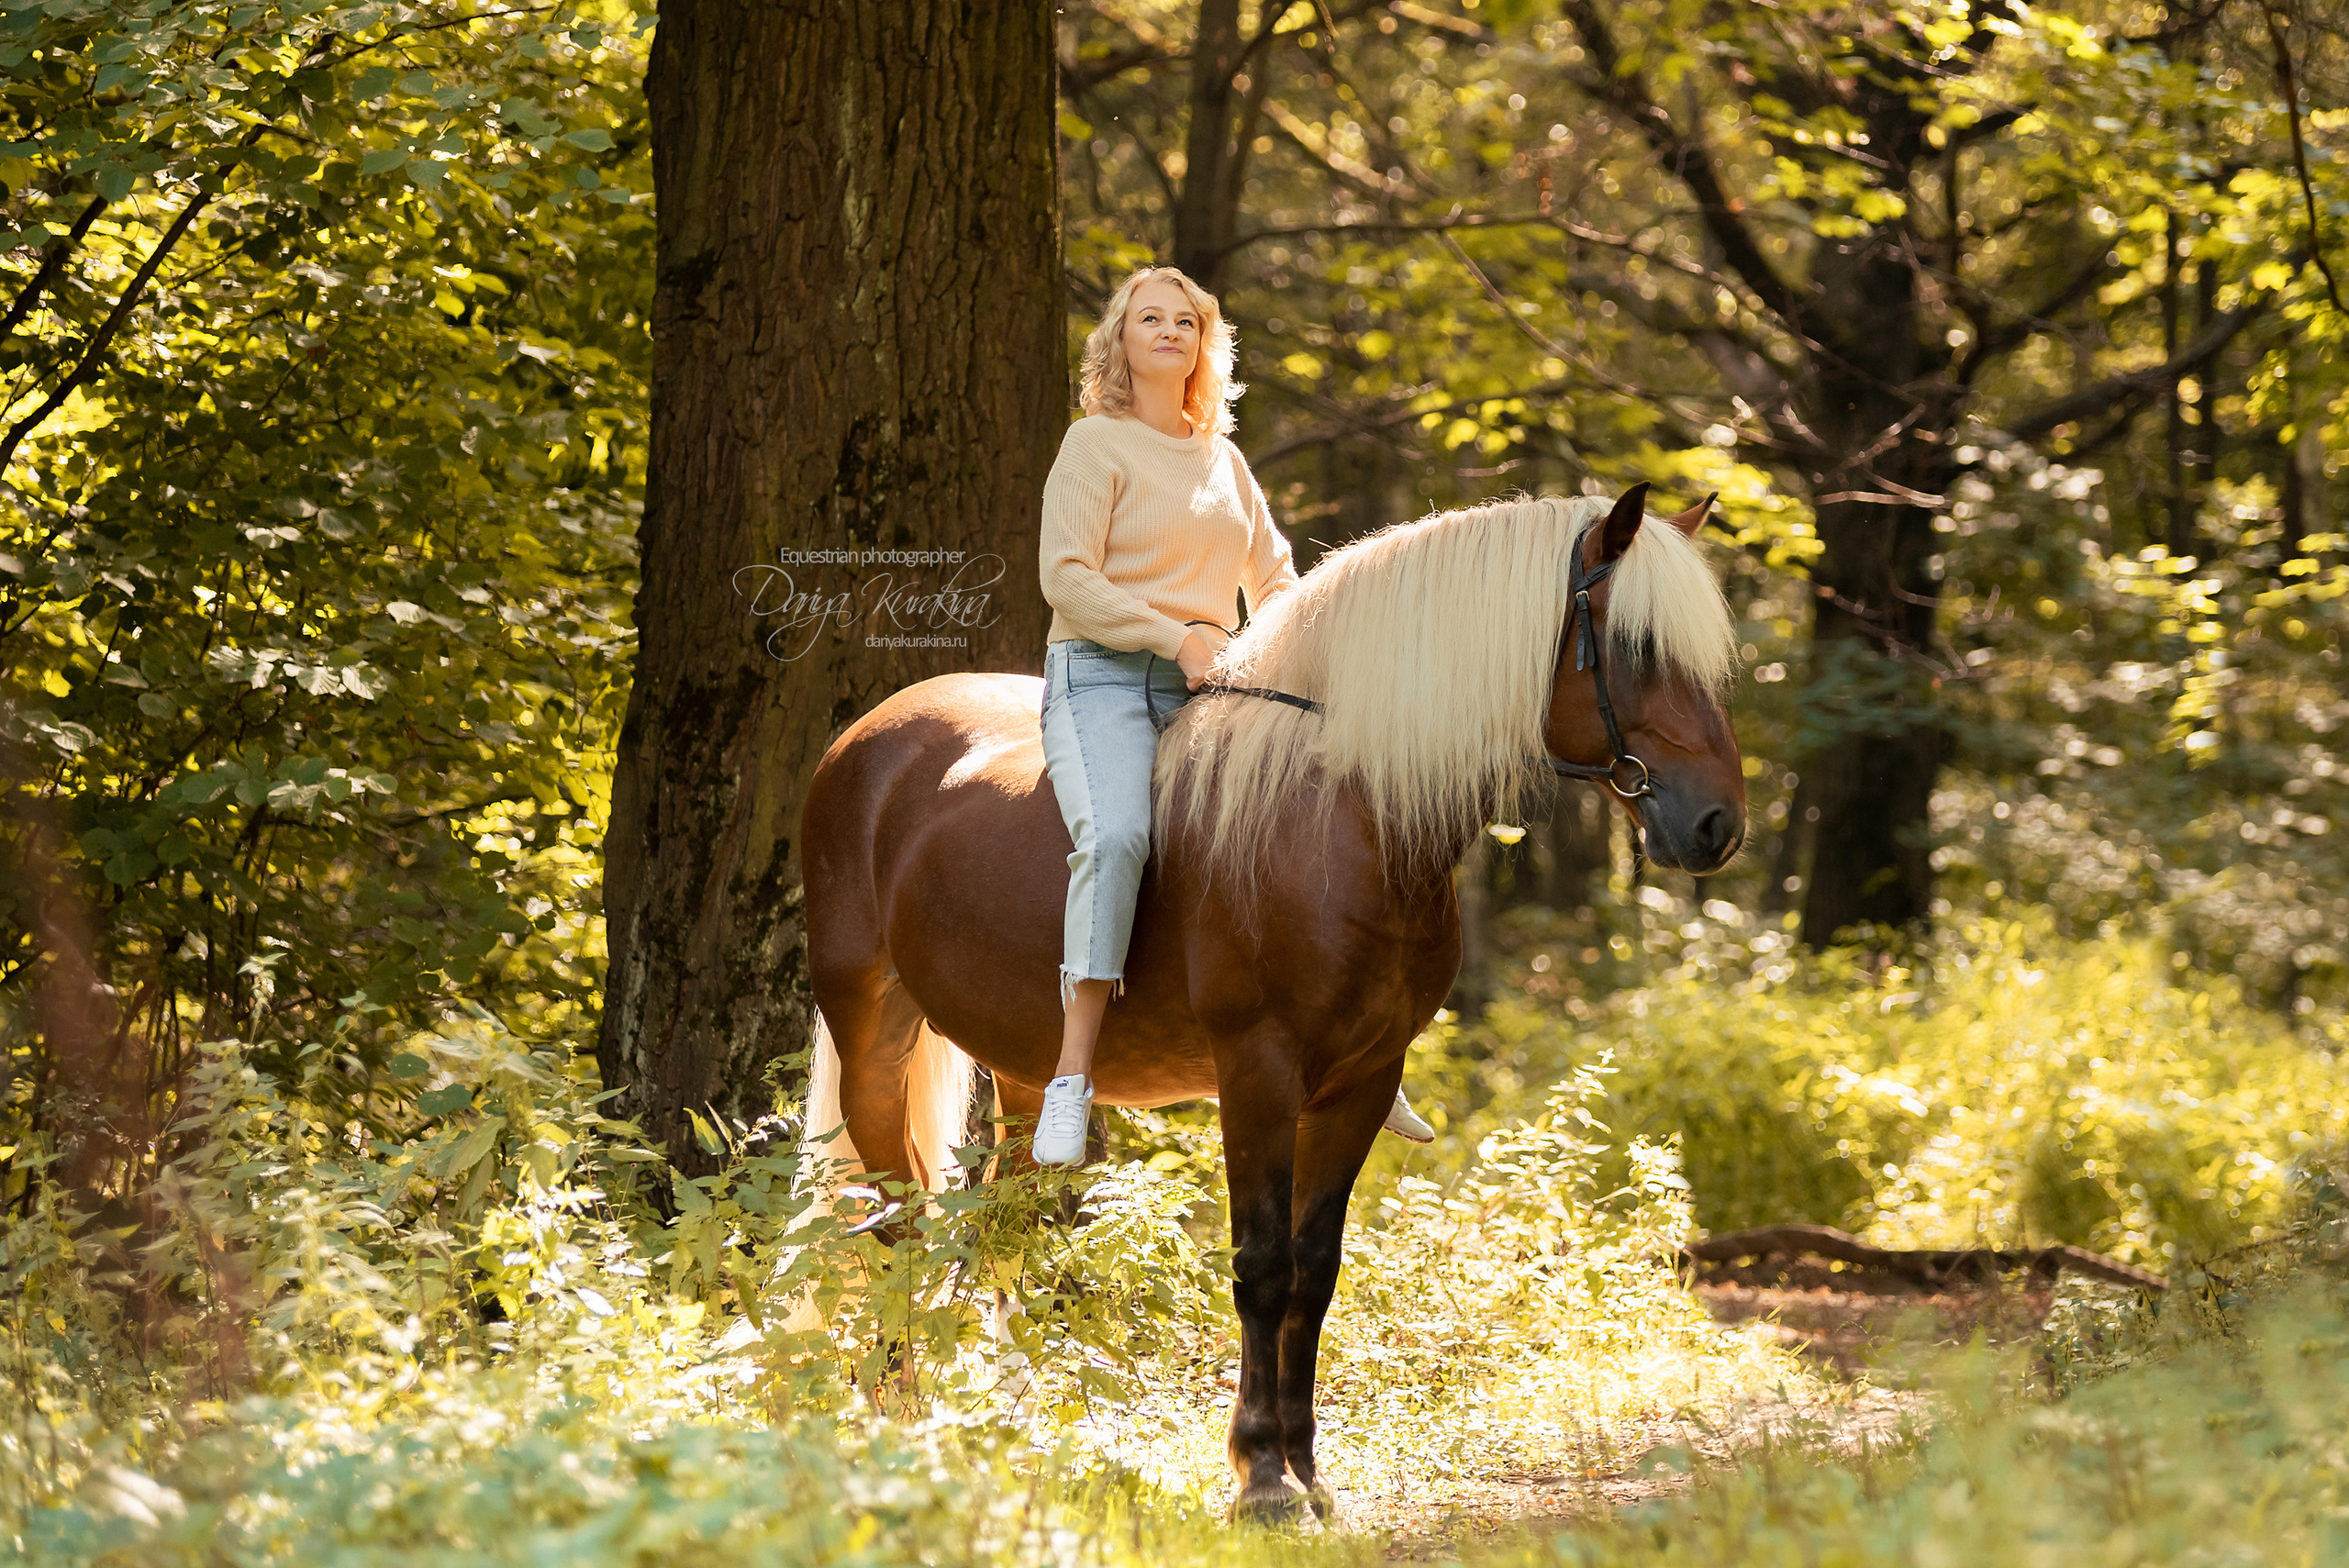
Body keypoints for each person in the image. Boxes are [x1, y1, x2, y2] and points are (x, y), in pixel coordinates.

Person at [1030, 265, 1435, 1165]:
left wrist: (1289, 652)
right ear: (1120, 341)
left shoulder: (1223, 459)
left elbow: (1277, 578)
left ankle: (1364, 1046)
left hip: (1213, 689)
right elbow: (1065, 578)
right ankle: (1069, 1077)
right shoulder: (1092, 446)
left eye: (1187, 320)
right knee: (1119, 837)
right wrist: (1173, 635)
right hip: (1099, 680)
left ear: (1204, 346)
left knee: (1320, 817)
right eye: (1150, 318)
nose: (1169, 330)